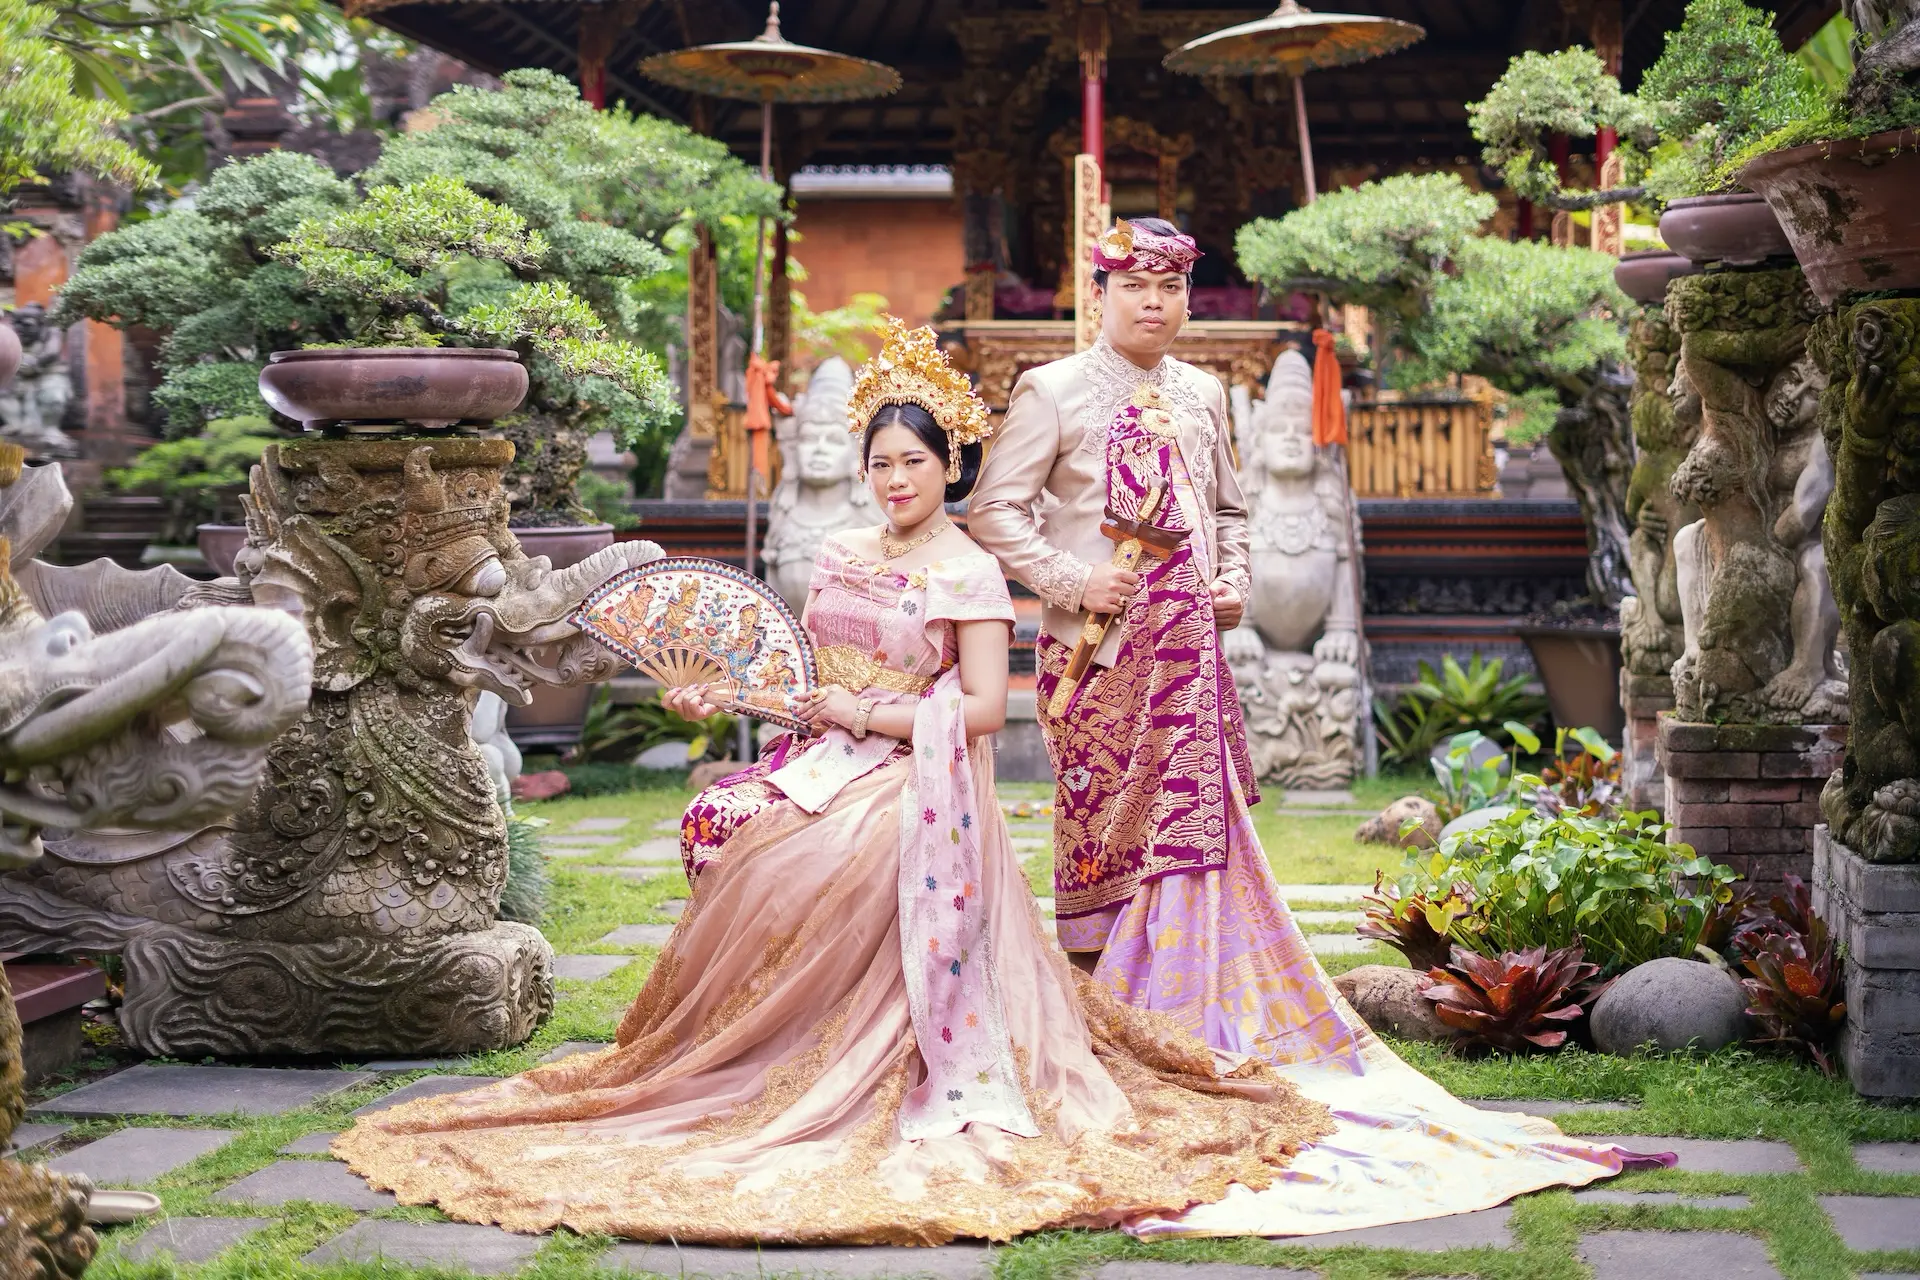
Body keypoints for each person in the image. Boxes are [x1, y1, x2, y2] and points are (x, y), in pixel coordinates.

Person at [330, 318, 1340, 1244]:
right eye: (880, 462)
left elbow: (981, 710)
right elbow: (802, 680)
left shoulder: (970, 571)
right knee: (726, 817)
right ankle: (754, 1047)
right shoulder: (839, 550)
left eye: (914, 461)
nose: (895, 479)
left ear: (951, 465)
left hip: (917, 769)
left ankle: (840, 1053)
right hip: (822, 754)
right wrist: (721, 693)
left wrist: (862, 715)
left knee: (823, 852)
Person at [969, 219, 1667, 1237]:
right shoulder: (1052, 390)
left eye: (1172, 287)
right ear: (1102, 292)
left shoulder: (1206, 394)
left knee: (1189, 839)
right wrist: (1075, 580)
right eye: (1136, 286)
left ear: (1189, 297)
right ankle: (1102, 1026)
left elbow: (1231, 512)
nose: (1155, 303)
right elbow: (995, 509)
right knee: (1099, 848)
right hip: (1098, 663)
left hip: (1190, 662)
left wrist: (1233, 581)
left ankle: (1184, 1020)